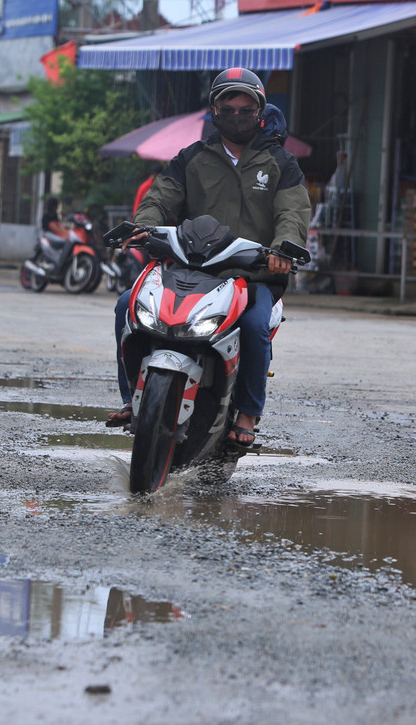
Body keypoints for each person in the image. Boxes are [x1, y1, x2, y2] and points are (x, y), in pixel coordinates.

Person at [108, 67, 311, 450]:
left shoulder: (281, 163)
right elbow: (159, 198)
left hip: (251, 275)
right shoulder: (192, 158)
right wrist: (142, 227)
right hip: (188, 266)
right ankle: (131, 399)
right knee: (126, 307)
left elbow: (293, 213)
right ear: (214, 111)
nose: (236, 114)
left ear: (260, 111)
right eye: (227, 107)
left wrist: (285, 248)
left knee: (253, 327)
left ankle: (248, 412)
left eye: (245, 107)